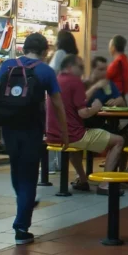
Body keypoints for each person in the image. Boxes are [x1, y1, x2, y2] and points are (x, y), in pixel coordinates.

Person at [0, 32, 66, 245]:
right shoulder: (45, 71)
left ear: (24, 48)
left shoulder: (7, 65)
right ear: (45, 51)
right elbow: (57, 104)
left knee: (17, 171)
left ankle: (25, 202)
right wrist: (63, 132)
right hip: (31, 130)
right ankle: (22, 227)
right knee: (28, 176)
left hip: (8, 127)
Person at [46, 55, 123, 192]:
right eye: (80, 67)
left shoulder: (57, 80)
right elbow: (83, 113)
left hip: (53, 134)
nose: (82, 71)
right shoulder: (75, 82)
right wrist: (96, 107)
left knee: (76, 145)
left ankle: (82, 180)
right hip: (72, 135)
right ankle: (105, 184)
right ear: (70, 68)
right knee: (119, 140)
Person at [48, 29, 79, 172]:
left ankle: (51, 165)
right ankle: (61, 164)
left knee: (53, 130)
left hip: (55, 95)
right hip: (69, 97)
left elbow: (51, 72)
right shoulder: (74, 57)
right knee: (64, 129)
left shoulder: (59, 54)